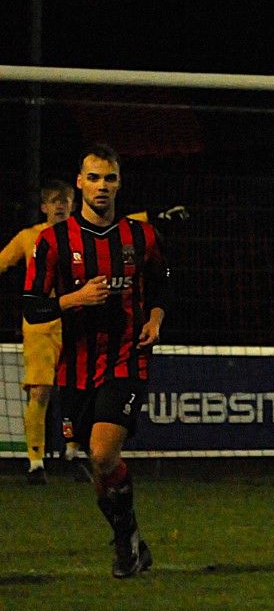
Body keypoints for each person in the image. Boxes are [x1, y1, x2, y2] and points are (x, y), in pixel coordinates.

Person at [23, 143, 170, 578]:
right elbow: (33, 307)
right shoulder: (53, 242)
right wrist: (75, 298)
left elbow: (161, 284)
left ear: (119, 183)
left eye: (110, 178)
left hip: (126, 357)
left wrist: (157, 318)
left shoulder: (141, 237)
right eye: (94, 178)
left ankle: (126, 546)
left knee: (104, 450)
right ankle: (131, 542)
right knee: (97, 463)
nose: (102, 186)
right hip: (76, 365)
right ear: (79, 184)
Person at [3, 180, 76, 484]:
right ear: (44, 207)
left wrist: (156, 218)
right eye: (54, 200)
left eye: (66, 200)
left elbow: (123, 232)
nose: (61, 205)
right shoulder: (28, 237)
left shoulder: (83, 233)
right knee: (41, 391)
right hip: (40, 325)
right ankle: (36, 462)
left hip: (76, 320)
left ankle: (73, 452)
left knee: (75, 390)